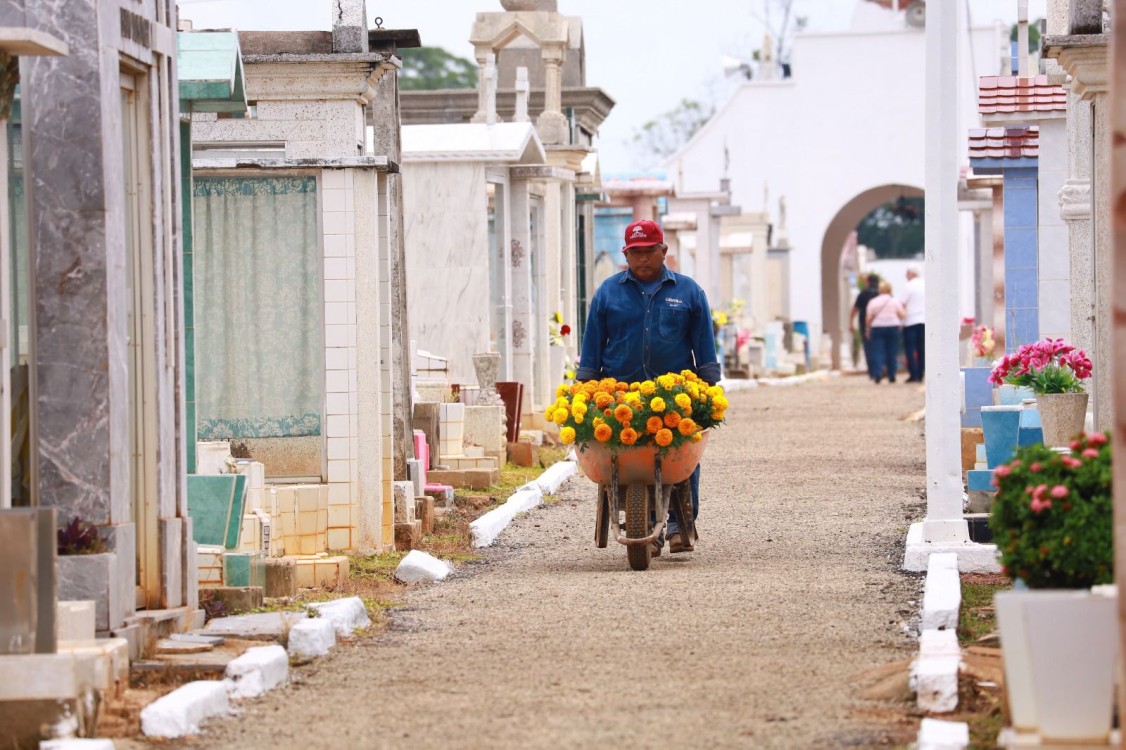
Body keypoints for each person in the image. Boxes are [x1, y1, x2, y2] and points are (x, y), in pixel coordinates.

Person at [577, 219, 720, 554]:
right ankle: (648, 523)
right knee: (630, 460)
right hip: (620, 395)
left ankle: (677, 524)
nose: (641, 258)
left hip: (676, 395)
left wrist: (709, 384)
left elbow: (704, 342)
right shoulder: (608, 292)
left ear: (663, 251)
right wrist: (585, 384)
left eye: (648, 251)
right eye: (634, 252)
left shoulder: (688, 292)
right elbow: (594, 342)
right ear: (626, 254)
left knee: (681, 457)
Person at [865, 280, 906, 383]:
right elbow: (902, 315)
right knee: (892, 351)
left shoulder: (873, 301)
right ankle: (892, 375)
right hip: (893, 327)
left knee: (877, 351)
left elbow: (868, 318)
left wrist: (868, 329)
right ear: (890, 290)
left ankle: (878, 373)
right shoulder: (894, 301)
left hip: (877, 327)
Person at [849, 274, 880, 381]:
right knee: (879, 348)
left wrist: (851, 323)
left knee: (868, 348)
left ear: (867, 282)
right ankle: (880, 370)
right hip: (880, 324)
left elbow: (855, 309)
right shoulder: (880, 294)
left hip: (864, 323)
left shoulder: (863, 294)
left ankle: (872, 372)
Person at [900, 264, 926, 382]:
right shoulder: (925, 285)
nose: (906, 275)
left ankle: (913, 373)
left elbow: (902, 303)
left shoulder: (908, 286)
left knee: (910, 349)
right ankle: (921, 373)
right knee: (921, 348)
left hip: (910, 321)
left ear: (911, 273)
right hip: (923, 320)